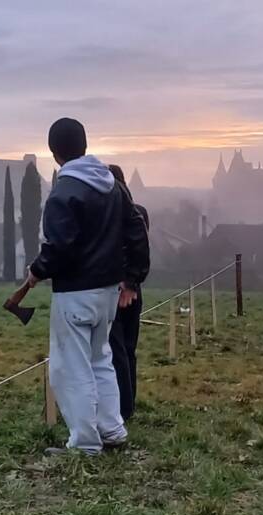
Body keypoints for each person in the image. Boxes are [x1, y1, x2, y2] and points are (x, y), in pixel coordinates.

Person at [26, 118, 149, 455]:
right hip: (108, 291)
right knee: (100, 360)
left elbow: (59, 247)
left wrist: (37, 270)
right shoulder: (112, 185)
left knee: (70, 368)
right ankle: (112, 431)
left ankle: (84, 444)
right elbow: (136, 229)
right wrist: (133, 278)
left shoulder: (63, 193)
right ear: (84, 144)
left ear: (54, 153)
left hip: (75, 293)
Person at [107, 164, 150, 421]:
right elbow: (141, 246)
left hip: (117, 288)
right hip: (135, 288)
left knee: (116, 349)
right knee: (129, 348)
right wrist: (134, 281)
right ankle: (129, 402)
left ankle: (122, 408)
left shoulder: (113, 216)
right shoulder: (140, 212)